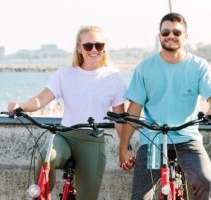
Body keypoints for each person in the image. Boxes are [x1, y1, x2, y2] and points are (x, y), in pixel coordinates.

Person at [7, 25, 126, 200]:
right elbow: (42, 99)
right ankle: (42, 196)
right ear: (79, 48)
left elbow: (120, 119)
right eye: (88, 45)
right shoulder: (64, 74)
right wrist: (21, 106)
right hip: (65, 137)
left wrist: (126, 147)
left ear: (104, 47)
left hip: (92, 141)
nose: (94, 50)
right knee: (46, 158)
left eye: (98, 45)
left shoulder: (114, 78)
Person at [118, 12, 211, 200]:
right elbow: (134, 110)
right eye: (165, 32)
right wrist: (124, 146)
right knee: (140, 197)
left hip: (187, 138)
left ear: (185, 36)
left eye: (176, 32)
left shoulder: (199, 66)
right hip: (153, 139)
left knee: (205, 182)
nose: (171, 36)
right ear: (159, 36)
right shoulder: (145, 68)